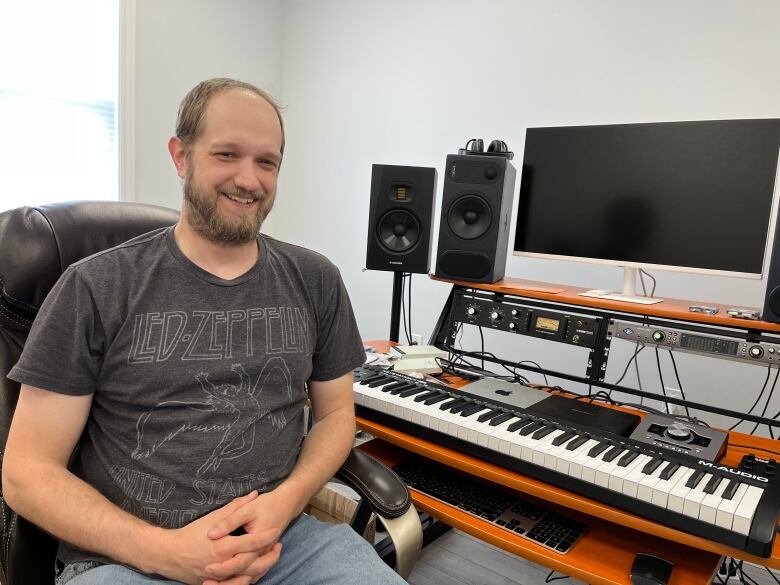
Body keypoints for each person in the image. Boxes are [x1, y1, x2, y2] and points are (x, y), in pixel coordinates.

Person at [2, 78, 407, 585]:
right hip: (128, 559)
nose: (249, 179)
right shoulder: (95, 286)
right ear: (180, 156)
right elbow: (27, 474)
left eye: (267, 162)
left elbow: (335, 417)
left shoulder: (314, 279)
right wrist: (166, 552)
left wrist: (284, 504)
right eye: (227, 154)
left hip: (282, 545)